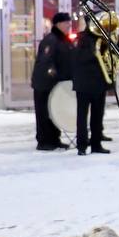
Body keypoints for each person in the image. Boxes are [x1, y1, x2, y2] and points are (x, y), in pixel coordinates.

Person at [72, 9, 119, 155]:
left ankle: (96, 144)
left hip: (100, 83)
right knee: (82, 116)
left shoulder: (109, 37)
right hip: (84, 84)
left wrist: (114, 43)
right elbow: (82, 58)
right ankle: (82, 146)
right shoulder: (83, 38)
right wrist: (99, 47)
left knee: (98, 115)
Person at [31, 11, 74, 150]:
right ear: (58, 24)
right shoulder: (51, 40)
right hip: (45, 84)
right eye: (66, 22)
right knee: (44, 113)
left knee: (54, 113)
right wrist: (56, 76)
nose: (69, 25)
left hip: (56, 84)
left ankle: (55, 139)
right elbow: (46, 63)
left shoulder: (62, 39)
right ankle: (44, 141)